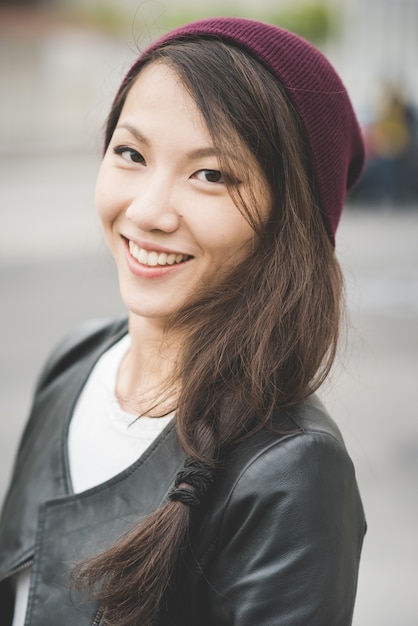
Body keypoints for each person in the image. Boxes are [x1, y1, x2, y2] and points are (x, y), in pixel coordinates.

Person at [0, 17, 366, 626]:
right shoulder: (76, 359)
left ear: (288, 220)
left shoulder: (293, 471)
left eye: (211, 174)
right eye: (130, 153)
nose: (147, 211)